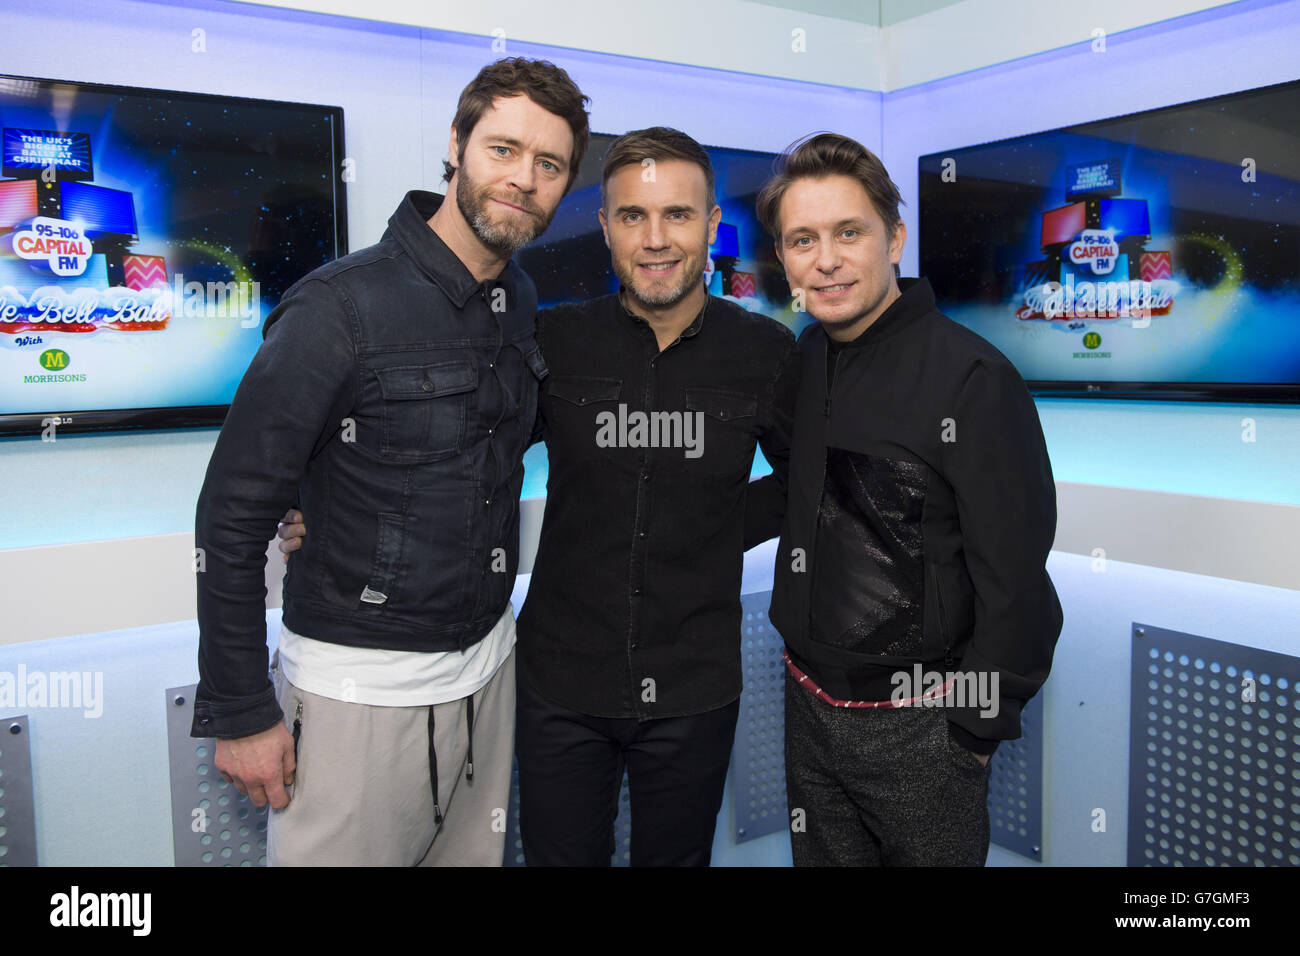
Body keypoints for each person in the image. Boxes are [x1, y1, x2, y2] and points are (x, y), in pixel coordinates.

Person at [192, 57, 591, 866]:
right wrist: (240, 710)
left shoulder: (518, 305)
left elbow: (479, 449)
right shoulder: (336, 306)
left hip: (488, 676)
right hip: (355, 703)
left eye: (549, 165)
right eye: (504, 149)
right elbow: (231, 515)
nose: (523, 179)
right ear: (456, 143)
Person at [760, 133, 1063, 866]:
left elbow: (1015, 581)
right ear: (784, 259)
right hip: (807, 704)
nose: (826, 260)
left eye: (849, 232)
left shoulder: (973, 379)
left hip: (924, 729)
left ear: (894, 238)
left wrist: (971, 733)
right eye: (803, 239)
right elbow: (806, 493)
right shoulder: (803, 360)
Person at [514, 128, 798, 866]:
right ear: (606, 229)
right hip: (560, 683)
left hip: (692, 686)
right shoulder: (552, 341)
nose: (655, 239)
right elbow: (468, 457)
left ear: (710, 226)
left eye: (677, 215)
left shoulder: (767, 353)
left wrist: (715, 528)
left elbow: (811, 482)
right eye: (633, 216)